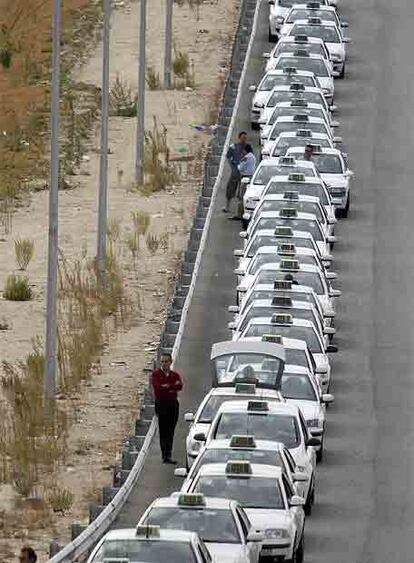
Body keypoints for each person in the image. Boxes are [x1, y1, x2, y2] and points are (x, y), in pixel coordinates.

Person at [151, 352, 183, 464]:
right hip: (161, 404)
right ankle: (165, 455)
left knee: (171, 430)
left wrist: (168, 386)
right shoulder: (156, 374)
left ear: (170, 362)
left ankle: (168, 454)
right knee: (163, 429)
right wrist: (171, 386)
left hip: (173, 404)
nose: (164, 363)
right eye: (163, 361)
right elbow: (158, 387)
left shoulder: (175, 375)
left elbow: (179, 386)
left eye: (166, 361)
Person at [223, 131, 248, 214]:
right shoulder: (233, 147)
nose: (244, 139)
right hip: (235, 172)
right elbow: (228, 156)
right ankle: (227, 206)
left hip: (244, 174)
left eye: (245, 138)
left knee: (242, 192)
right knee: (230, 189)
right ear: (239, 138)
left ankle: (240, 211)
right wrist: (232, 166)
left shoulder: (248, 148)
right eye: (242, 138)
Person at [236, 144, 257, 221]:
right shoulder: (253, 157)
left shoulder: (246, 157)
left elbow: (240, 167)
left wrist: (238, 164)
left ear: (245, 150)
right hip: (251, 177)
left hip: (245, 177)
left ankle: (240, 214)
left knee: (241, 196)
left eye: (243, 150)